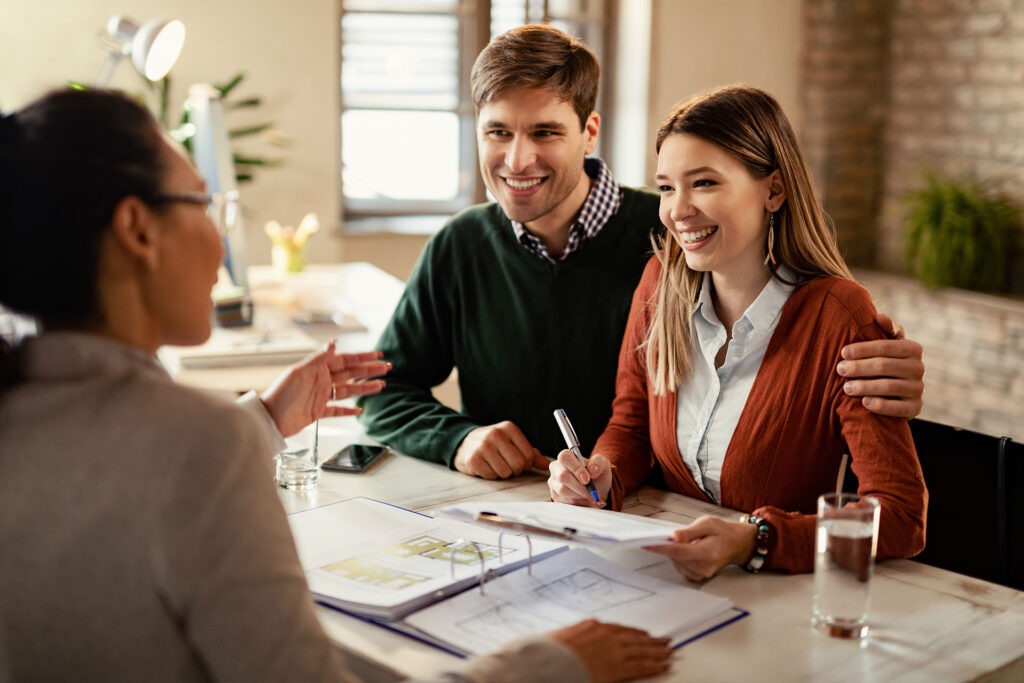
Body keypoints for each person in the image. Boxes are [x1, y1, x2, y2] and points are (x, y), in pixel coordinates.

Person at [0, 88, 673, 683]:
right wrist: (548, 665)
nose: (219, 240)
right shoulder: (199, 446)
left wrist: (261, 418)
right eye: (203, 203)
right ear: (136, 229)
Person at [358, 24, 926, 482]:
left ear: (589, 132)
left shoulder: (680, 242)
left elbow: (788, 332)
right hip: (515, 516)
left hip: (659, 518)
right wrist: (459, 439)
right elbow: (384, 392)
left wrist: (874, 355)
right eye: (498, 132)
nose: (517, 159)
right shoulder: (460, 246)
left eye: (546, 133)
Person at [547, 85, 928, 579]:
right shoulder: (659, 286)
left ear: (773, 190)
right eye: (666, 187)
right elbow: (631, 425)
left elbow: (900, 516)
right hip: (665, 582)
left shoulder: (839, 316)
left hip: (781, 601)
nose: (677, 210)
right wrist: (603, 473)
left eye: (703, 183)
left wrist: (758, 539)